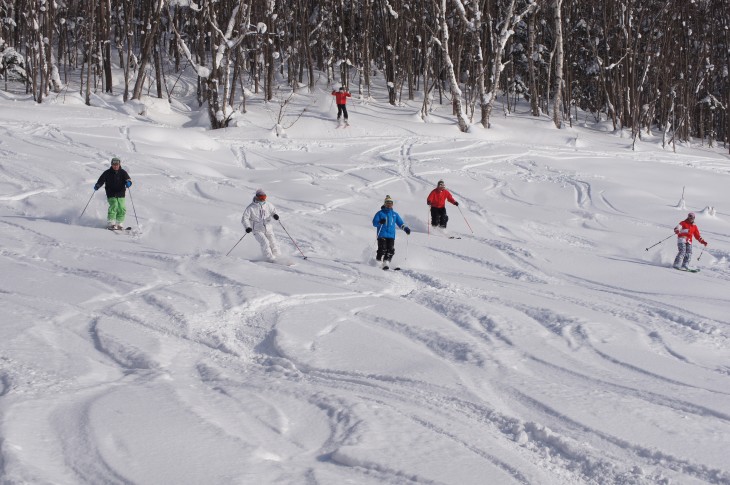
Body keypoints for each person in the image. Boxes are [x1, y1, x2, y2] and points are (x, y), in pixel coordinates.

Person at [242, 189, 281, 262]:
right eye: (261, 197)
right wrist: (247, 227)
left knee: (273, 242)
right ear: (257, 197)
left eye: (264, 197)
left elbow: (273, 211)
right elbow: (245, 218)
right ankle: (269, 258)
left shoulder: (268, 205)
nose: (263, 199)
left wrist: (275, 215)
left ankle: (278, 257)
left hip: (268, 228)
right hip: (257, 230)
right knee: (265, 242)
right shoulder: (251, 207)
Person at [94, 157, 132, 229]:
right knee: (114, 205)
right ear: (111, 164)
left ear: (119, 164)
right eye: (114, 165)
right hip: (111, 192)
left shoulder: (123, 172)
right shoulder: (107, 173)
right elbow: (101, 180)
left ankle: (119, 223)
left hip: (121, 193)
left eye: (117, 164)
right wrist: (98, 185)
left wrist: (129, 183)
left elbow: (128, 179)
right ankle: (111, 222)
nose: (115, 166)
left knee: (122, 208)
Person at [372, 195, 410, 266]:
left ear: (392, 204)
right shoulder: (380, 213)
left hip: (391, 235)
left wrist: (406, 229)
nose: (389, 205)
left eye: (390, 203)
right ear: (385, 204)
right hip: (382, 234)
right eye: (387, 203)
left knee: (391, 250)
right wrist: (380, 222)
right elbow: (374, 223)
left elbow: (400, 223)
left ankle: (386, 262)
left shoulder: (394, 214)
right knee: (382, 249)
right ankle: (378, 262)